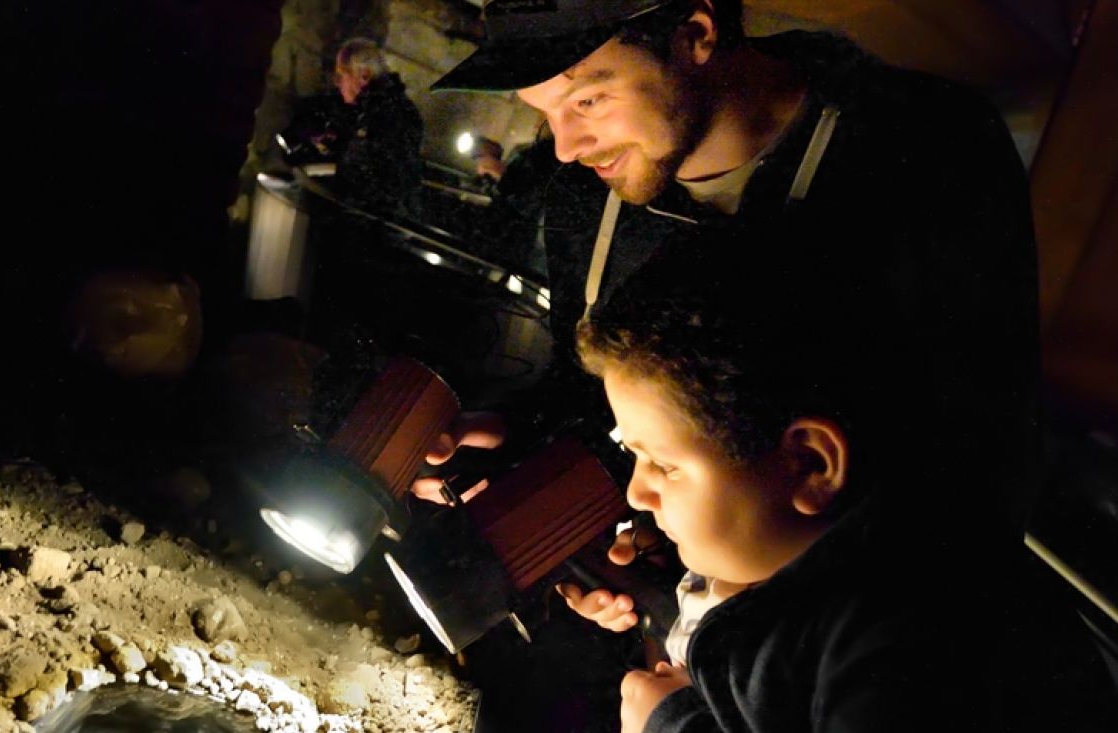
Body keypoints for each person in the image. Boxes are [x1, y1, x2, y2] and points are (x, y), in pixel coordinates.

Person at [425, 0, 1042, 634]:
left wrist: (764, 645)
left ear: (696, 33)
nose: (565, 147)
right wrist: (528, 449)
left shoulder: (921, 144)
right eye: (544, 114)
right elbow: (600, 397)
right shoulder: (586, 199)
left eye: (586, 102)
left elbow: (982, 448)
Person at [579, 227, 1118, 733]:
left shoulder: (915, 648)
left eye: (665, 465)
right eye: (635, 454)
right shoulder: (820, 560)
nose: (636, 492)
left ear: (809, 463)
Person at [328, 38, 424, 214]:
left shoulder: (384, 113)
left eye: (341, 75)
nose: (338, 83)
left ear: (363, 75)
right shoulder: (384, 107)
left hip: (372, 219)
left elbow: (373, 173)